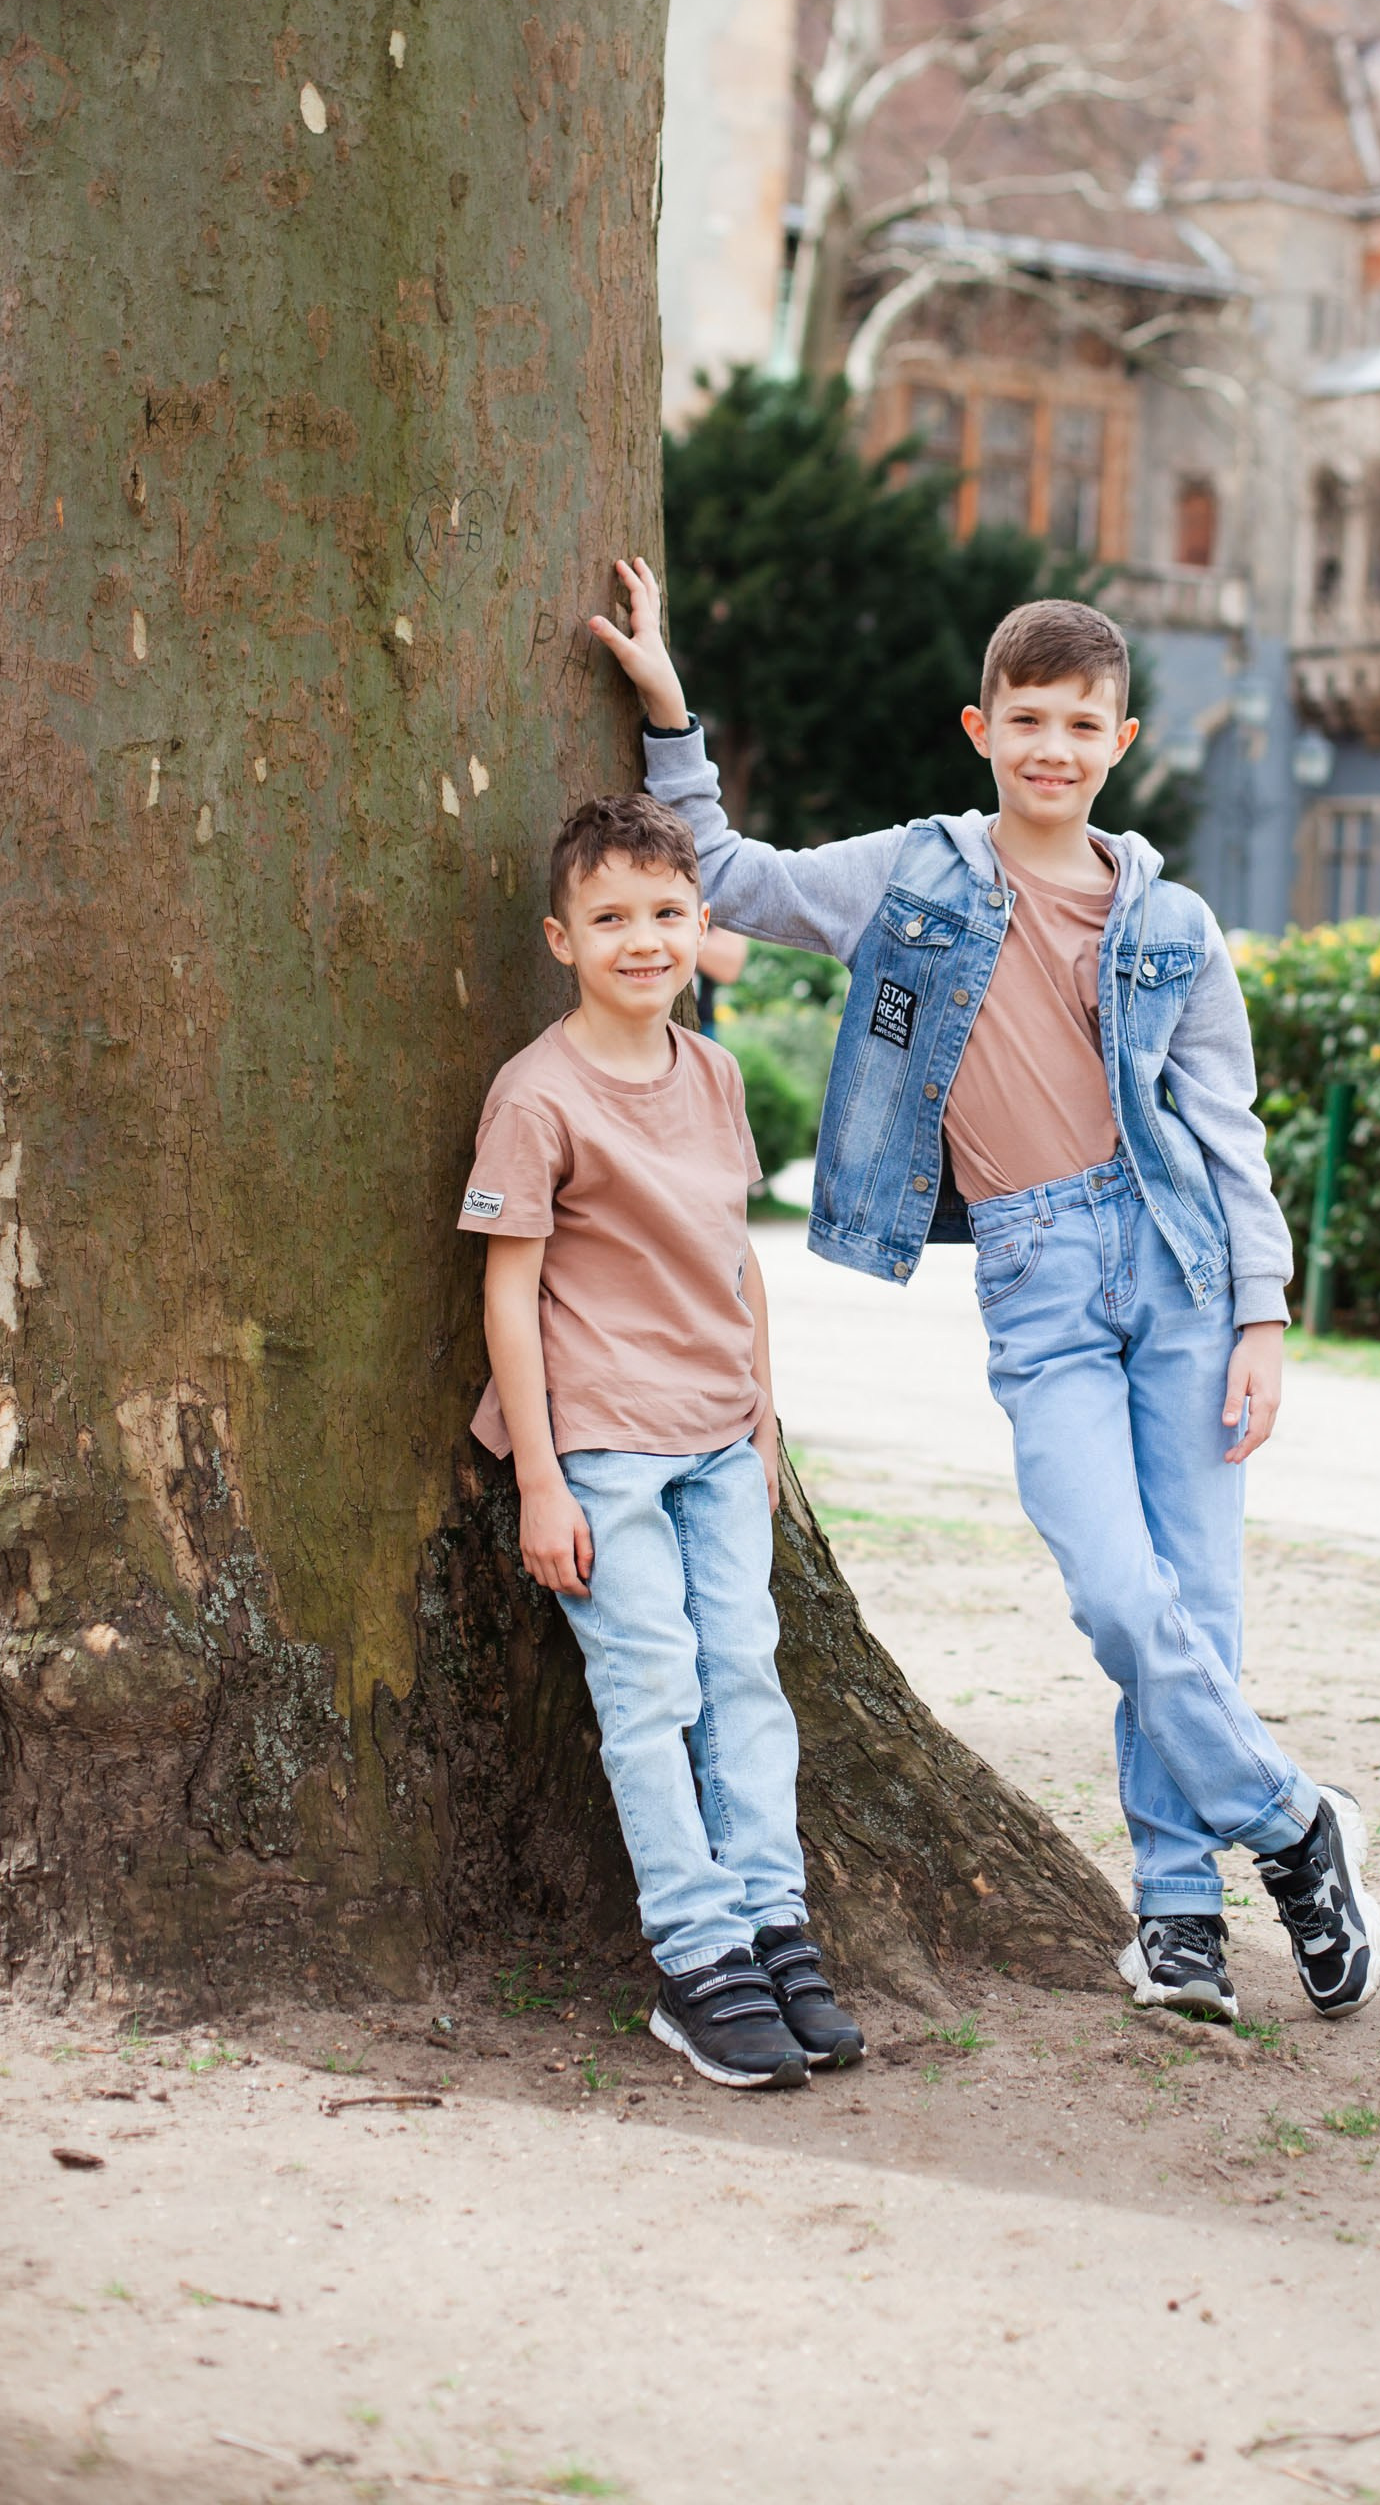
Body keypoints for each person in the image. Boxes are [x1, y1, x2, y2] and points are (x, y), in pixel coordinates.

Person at [591, 562, 1380, 2028]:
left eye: (1084, 725)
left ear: (1120, 746)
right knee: (1114, 1590)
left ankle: (1183, 1915)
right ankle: (1292, 1823)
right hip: (1037, 1273)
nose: (1054, 750)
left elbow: (1230, 1132)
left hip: (1187, 1269)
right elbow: (732, 876)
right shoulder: (916, 874)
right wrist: (667, 711)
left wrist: (1265, 1313)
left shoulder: (1178, 927)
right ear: (980, 726)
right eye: (1029, 719)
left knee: (1193, 1607)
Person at [459, 787, 864, 2088]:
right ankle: (698, 1965)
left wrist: (764, 1421)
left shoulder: (719, 1076)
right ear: (561, 937)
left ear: (702, 927)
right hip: (602, 1448)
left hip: (716, 1437)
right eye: (612, 916)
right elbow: (507, 1292)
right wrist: (538, 1478)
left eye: (669, 914)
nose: (645, 938)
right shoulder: (536, 1096)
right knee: (651, 1696)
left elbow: (734, 1265)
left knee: (745, 1681)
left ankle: (773, 1932)